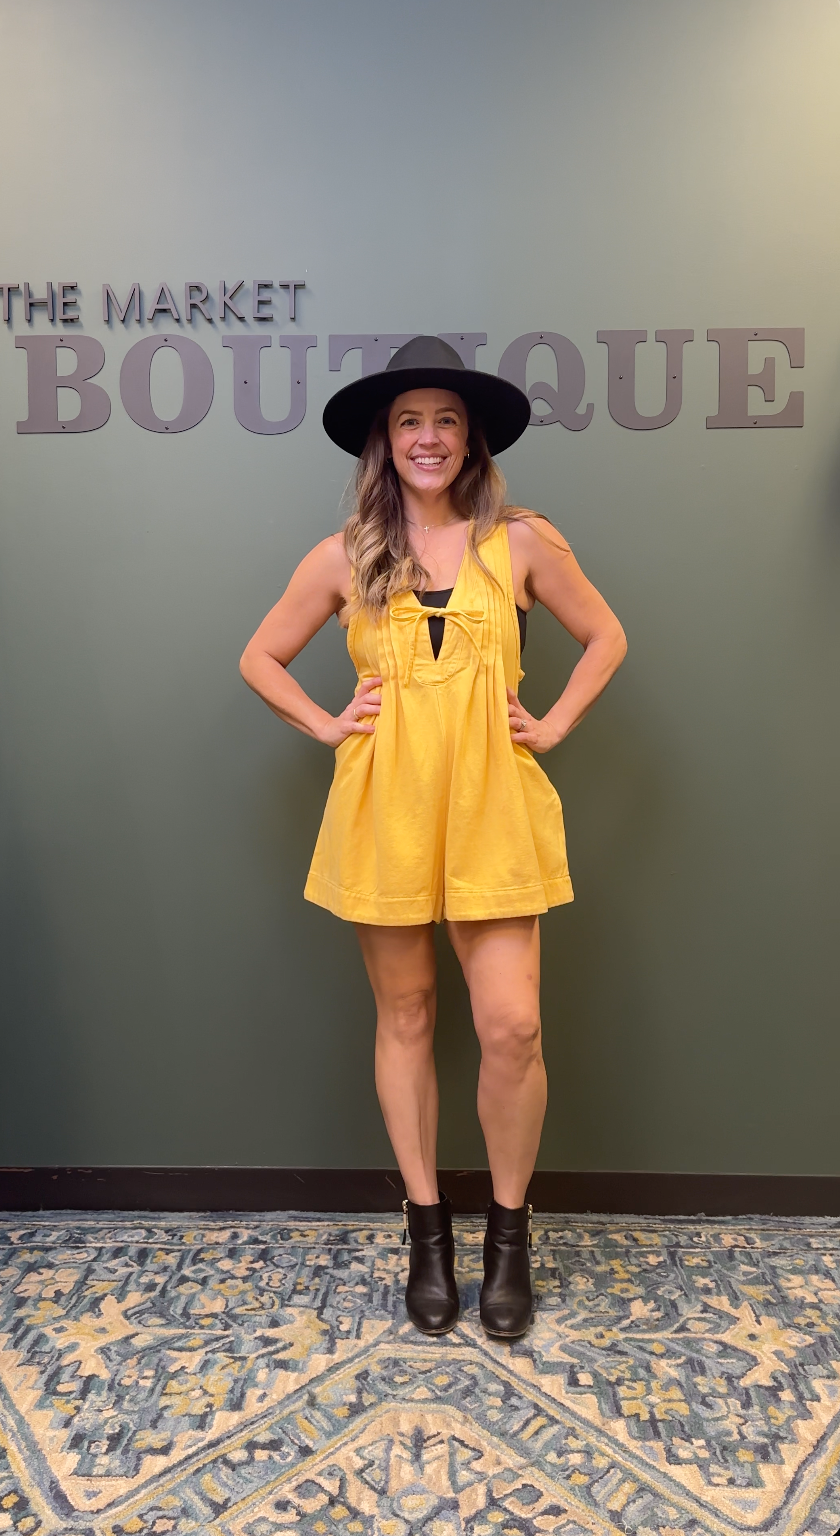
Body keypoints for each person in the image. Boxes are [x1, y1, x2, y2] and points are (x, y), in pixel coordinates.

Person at [240, 336, 626, 1339]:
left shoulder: (523, 541)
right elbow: (260, 656)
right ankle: (427, 1231)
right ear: (385, 439)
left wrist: (555, 723)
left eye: (445, 420)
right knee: (406, 1015)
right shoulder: (345, 555)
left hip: (496, 807)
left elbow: (607, 636)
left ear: (471, 439)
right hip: (389, 810)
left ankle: (508, 1234)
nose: (427, 437)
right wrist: (329, 725)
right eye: (409, 420)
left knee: (513, 1027)